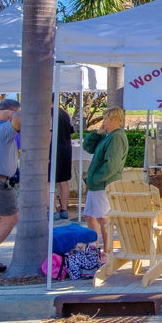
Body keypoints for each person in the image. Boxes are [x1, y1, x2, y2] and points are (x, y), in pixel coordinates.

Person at [83, 106, 130, 256]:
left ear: (115, 120)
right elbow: (88, 147)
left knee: (104, 218)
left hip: (104, 184)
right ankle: (94, 248)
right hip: (97, 184)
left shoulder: (116, 137)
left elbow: (111, 164)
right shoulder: (108, 136)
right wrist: (98, 133)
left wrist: (96, 178)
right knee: (90, 215)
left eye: (106, 119)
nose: (104, 122)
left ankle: (107, 251)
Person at [0, 100, 21, 270]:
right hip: (0, 182)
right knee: (10, 219)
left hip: (3, 181)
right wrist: (11, 114)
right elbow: (20, 118)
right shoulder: (3, 129)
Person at [52, 105, 75, 221]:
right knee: (64, 181)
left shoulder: (46, 113)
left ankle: (53, 210)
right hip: (66, 149)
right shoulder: (65, 113)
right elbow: (72, 133)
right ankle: (64, 209)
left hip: (52, 150)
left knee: (49, 182)